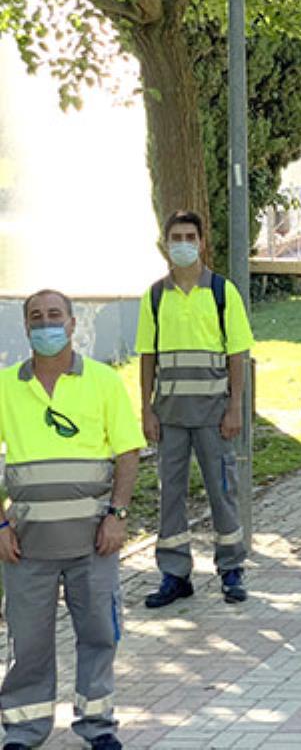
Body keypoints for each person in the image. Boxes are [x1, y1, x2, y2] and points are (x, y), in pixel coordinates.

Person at [0, 290, 143, 750]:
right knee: (30, 643)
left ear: (72, 323)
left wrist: (118, 515)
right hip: (26, 544)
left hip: (93, 541)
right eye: (36, 317)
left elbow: (127, 452)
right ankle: (23, 730)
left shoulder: (103, 381)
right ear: (25, 327)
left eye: (54, 315)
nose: (45, 324)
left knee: (100, 634)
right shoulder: (5, 387)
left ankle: (98, 726)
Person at [138, 211, 253, 609]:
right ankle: (174, 574)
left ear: (202, 242)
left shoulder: (223, 292)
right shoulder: (154, 296)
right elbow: (147, 356)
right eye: (175, 237)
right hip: (169, 415)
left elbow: (237, 354)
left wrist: (235, 407)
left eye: (189, 236)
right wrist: (146, 409)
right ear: (165, 243)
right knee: (170, 495)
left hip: (213, 415)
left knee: (222, 491)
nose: (182, 243)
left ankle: (232, 569)